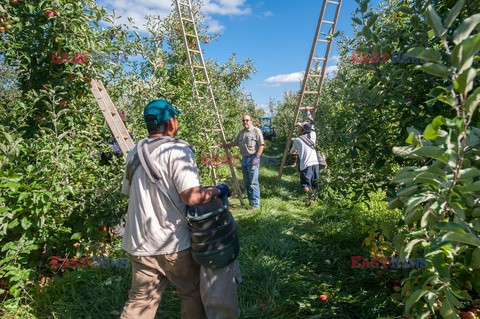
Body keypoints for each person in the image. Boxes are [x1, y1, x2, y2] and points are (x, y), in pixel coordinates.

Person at [120, 99, 234, 319]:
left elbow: (129, 192)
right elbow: (191, 196)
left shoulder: (135, 152)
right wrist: (216, 191)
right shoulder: (177, 150)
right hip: (171, 242)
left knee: (140, 301)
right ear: (171, 123)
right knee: (192, 293)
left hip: (139, 242)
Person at [218, 114, 265, 209]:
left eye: (247, 120)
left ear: (251, 121)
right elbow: (235, 143)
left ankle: (256, 205)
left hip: (253, 158)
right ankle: (251, 202)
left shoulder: (256, 131)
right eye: (243, 121)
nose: (245, 122)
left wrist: (257, 158)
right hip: (244, 159)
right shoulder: (241, 133)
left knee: (253, 182)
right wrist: (224, 145)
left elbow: (261, 145)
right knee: (247, 183)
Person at [290, 122, 320, 207]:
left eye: (299, 128)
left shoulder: (297, 140)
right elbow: (313, 125)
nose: (298, 129)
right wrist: (308, 112)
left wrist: (296, 151)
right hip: (315, 163)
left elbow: (292, 151)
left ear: (303, 130)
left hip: (305, 164)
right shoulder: (313, 136)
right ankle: (316, 198)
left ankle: (311, 195)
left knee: (305, 184)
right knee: (316, 182)